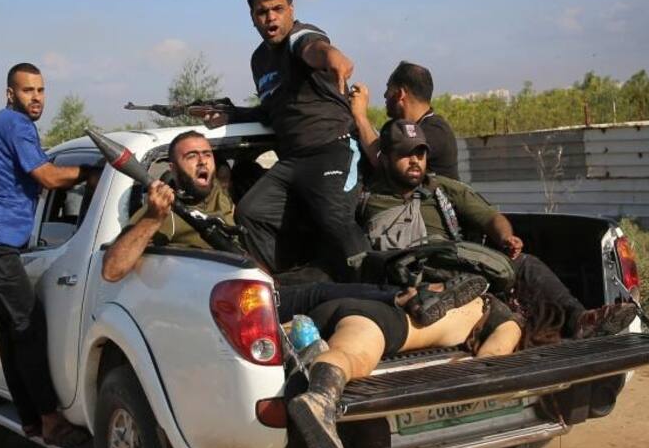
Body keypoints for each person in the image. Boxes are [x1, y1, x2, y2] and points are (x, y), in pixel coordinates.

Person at [102, 131, 487, 325]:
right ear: (174, 165)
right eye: (191, 156)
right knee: (322, 291)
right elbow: (113, 268)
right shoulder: (165, 210)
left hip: (272, 275)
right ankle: (406, 301)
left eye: (207, 154)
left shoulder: (225, 194)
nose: (201, 161)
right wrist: (152, 217)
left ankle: (437, 284)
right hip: (240, 299)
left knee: (348, 263)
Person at [361, 120, 638, 341]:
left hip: (456, 266)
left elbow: (491, 217)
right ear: (385, 158)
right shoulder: (367, 200)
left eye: (419, 153)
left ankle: (580, 320)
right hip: (409, 278)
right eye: (404, 153)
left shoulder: (441, 188)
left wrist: (506, 238)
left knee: (523, 264)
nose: (414, 161)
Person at [0, 62, 93, 448]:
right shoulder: (15, 125)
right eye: (28, 91)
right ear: (11, 93)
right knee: (28, 327)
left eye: (41, 90)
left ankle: (30, 420)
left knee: (13, 331)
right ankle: (50, 421)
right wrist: (92, 173)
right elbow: (48, 177)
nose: (37, 98)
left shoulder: (5, 126)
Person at [205, 0, 369, 279]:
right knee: (250, 212)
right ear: (252, 17)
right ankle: (282, 283)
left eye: (277, 9)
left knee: (335, 220)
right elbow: (271, 112)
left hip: (332, 149)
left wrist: (332, 57)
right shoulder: (259, 60)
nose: (270, 18)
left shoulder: (301, 36)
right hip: (292, 161)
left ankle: (376, 288)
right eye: (262, 12)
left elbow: (315, 48)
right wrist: (231, 116)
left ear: (291, 10)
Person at [288, 292, 522, 448]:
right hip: (379, 321)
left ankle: (306, 361)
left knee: (311, 343)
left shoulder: (469, 295)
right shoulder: (507, 322)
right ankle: (321, 398)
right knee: (352, 358)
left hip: (341, 304)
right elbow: (490, 361)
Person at [353, 61, 460, 181]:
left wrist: (360, 116)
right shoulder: (405, 129)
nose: (385, 95)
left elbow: (383, 161)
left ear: (400, 94)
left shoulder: (435, 132)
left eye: (388, 88)